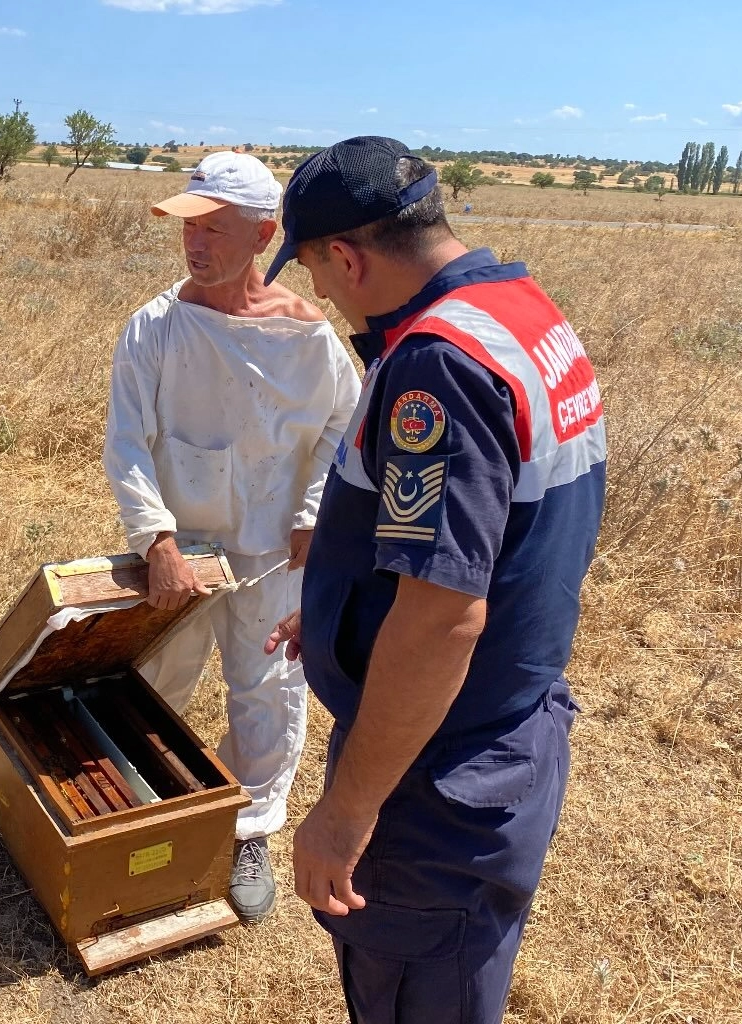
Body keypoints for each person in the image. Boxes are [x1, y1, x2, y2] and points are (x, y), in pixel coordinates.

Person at [262, 137, 605, 1021]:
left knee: (421, 990)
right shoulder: (517, 309)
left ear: (348, 255)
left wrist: (344, 813)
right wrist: (343, 613)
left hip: (436, 780)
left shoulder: (435, 365)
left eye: (314, 272)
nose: (322, 295)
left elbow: (445, 617)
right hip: (503, 735)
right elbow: (508, 535)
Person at [103, 151, 361, 922]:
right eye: (190, 226)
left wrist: (316, 511)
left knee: (267, 690)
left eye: (216, 227)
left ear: (263, 234)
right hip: (181, 553)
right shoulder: (153, 328)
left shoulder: (309, 337)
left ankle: (248, 828)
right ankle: (140, 810)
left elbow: (343, 426)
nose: (196, 243)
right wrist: (156, 543)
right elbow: (127, 445)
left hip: (274, 553)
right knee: (154, 684)